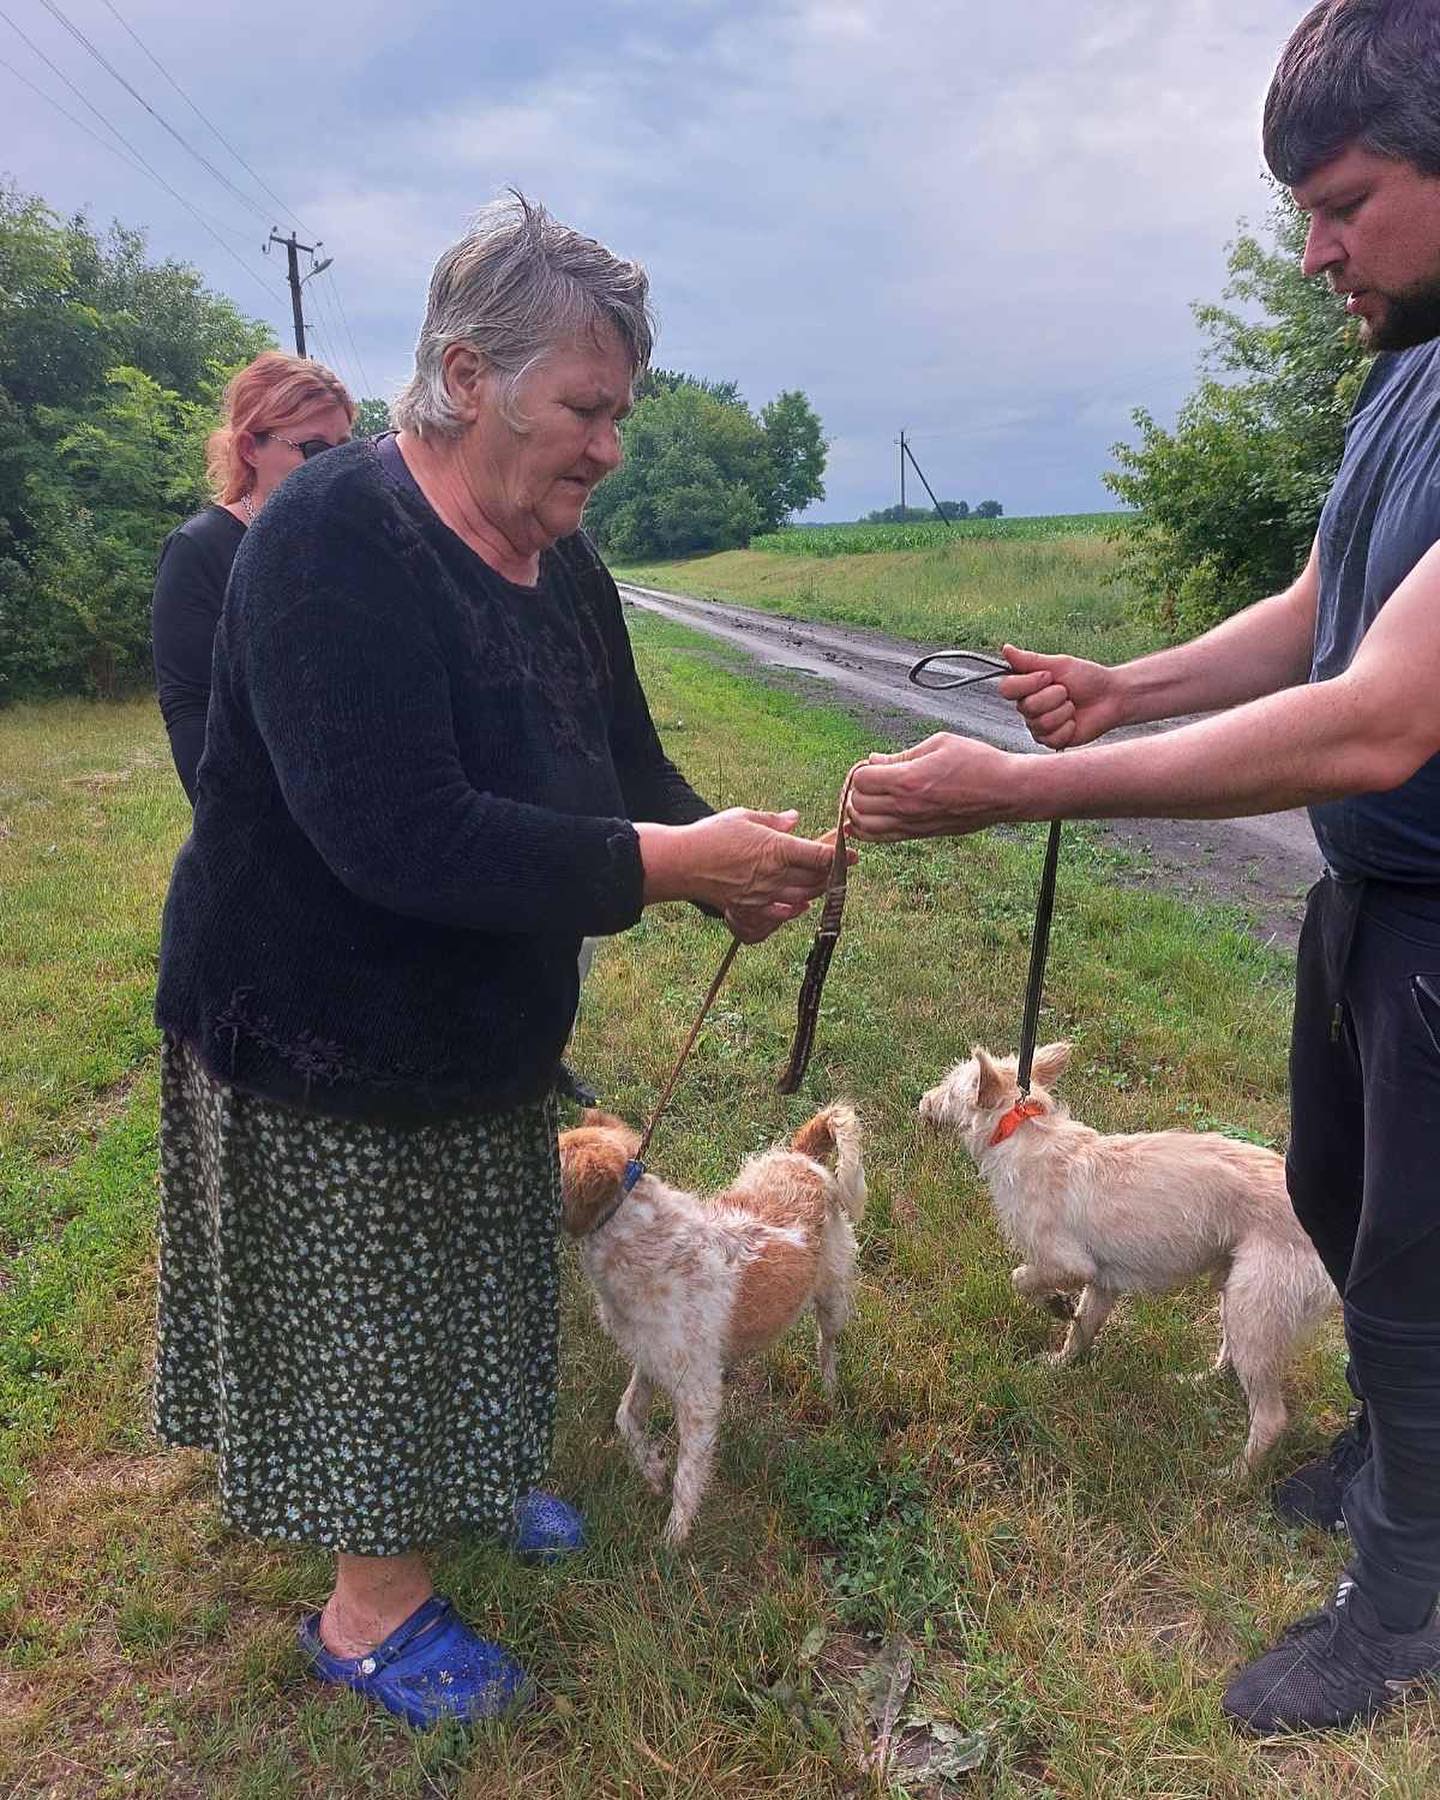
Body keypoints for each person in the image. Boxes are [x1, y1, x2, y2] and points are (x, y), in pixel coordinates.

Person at [151, 194, 836, 1729]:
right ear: (468, 376)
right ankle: (368, 1610)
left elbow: (621, 764)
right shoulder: (333, 541)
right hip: (316, 1022)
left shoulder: (561, 557)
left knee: (474, 1274)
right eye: (585, 409)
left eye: (620, 415)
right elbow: (396, 834)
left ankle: (453, 1490)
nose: (607, 447)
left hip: (477, 1022)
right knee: (369, 1316)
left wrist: (721, 860)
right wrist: (668, 865)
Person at [849, 0, 1440, 1738]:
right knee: (1336, 1208)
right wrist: (1132, 687)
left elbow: (1381, 716)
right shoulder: (1410, 359)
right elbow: (1330, 606)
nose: (1318, 247)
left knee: (1413, 1270)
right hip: (1369, 912)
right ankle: (1388, 1457)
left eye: (1344, 200)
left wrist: (1041, 791)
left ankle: (1400, 1610)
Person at [151, 351, 354, 800]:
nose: (338, 467)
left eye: (347, 449)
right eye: (316, 449)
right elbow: (190, 709)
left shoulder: (352, 543)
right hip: (263, 812)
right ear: (250, 449)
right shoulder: (200, 551)